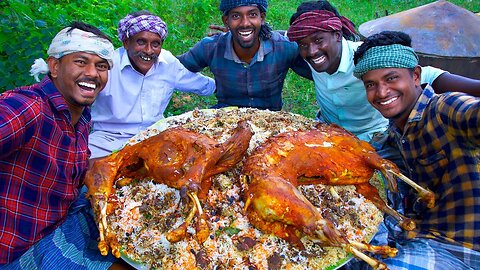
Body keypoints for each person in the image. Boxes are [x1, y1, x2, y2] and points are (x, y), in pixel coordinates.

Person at [0, 22, 127, 269]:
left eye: (101, 66)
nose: (92, 73)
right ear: (55, 66)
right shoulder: (29, 108)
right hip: (19, 252)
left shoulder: (80, 115)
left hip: (57, 220)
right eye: (81, 62)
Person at [350, 30, 480, 269]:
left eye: (391, 79)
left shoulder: (444, 108)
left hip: (460, 248)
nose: (381, 92)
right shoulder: (396, 131)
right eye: (371, 84)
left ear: (416, 75)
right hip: (416, 232)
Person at [286, 0, 480, 146]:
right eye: (304, 44)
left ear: (337, 35)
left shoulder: (369, 58)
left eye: (319, 40)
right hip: (326, 129)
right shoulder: (309, 53)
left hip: (373, 137)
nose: (312, 51)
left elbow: (429, 75)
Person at [89, 10, 216, 159]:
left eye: (155, 44)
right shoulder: (108, 65)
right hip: (106, 140)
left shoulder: (167, 63)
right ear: (126, 42)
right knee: (87, 173)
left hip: (154, 138)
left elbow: (204, 85)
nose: (149, 51)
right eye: (141, 42)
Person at [177, 0, 312, 111]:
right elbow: (174, 68)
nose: (245, 23)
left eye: (252, 15)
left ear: (262, 18)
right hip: (223, 122)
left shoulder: (283, 47)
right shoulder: (211, 48)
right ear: (226, 20)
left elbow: (320, 72)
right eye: (236, 16)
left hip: (271, 122)